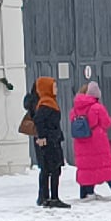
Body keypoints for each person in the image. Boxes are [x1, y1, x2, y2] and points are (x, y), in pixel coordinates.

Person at [69, 81, 111, 200]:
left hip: (81, 142)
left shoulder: (75, 110)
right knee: (105, 166)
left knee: (86, 168)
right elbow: (107, 123)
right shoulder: (97, 107)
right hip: (97, 141)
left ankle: (89, 193)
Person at [27, 77, 68, 208]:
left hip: (51, 139)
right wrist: (43, 136)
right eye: (54, 86)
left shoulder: (48, 102)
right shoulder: (46, 104)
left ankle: (44, 197)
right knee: (54, 169)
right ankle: (53, 198)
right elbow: (39, 120)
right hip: (50, 141)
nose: (56, 89)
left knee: (46, 169)